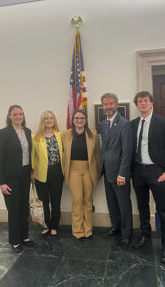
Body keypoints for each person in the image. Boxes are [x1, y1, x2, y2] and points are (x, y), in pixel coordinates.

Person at [131, 91, 165, 264]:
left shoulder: (162, 123)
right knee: (142, 207)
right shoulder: (133, 124)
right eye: (139, 101)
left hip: (156, 171)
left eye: (145, 101)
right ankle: (145, 235)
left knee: (163, 209)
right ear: (136, 105)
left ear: (151, 103)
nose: (142, 104)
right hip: (138, 171)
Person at [0, 105, 35, 253]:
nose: (18, 117)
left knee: (24, 207)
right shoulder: (4, 133)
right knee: (14, 209)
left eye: (20, 114)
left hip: (25, 175)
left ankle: (24, 236)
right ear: (10, 116)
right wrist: (1, 182)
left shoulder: (27, 131)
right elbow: (0, 159)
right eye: (15, 114)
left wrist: (31, 172)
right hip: (10, 178)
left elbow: (28, 155)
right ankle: (14, 240)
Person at [100, 93, 133, 248]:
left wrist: (122, 174)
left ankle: (126, 235)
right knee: (111, 203)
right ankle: (116, 227)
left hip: (119, 174)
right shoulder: (103, 123)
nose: (108, 107)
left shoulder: (124, 124)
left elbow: (127, 152)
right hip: (107, 172)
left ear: (117, 104)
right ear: (103, 106)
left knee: (124, 205)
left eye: (111, 104)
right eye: (105, 104)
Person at [61, 109, 100, 240]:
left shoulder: (93, 134)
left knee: (88, 200)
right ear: (73, 120)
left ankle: (88, 229)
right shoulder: (65, 134)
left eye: (82, 118)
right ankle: (77, 230)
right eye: (77, 118)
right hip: (73, 169)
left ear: (86, 120)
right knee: (77, 200)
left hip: (89, 169)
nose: (79, 120)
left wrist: (98, 173)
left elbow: (97, 155)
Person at [31, 111, 64, 237]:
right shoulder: (35, 137)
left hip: (57, 172)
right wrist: (31, 173)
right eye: (46, 118)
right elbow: (32, 157)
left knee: (56, 201)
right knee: (44, 201)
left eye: (51, 118)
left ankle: (54, 226)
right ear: (42, 121)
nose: (49, 120)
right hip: (41, 174)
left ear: (54, 120)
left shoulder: (60, 135)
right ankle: (47, 226)